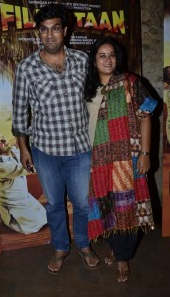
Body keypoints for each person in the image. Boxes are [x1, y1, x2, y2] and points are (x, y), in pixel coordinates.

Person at [12, 3, 99, 274]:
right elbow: (18, 112)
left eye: (55, 29)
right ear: (39, 33)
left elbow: (96, 98)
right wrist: (23, 148)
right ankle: (60, 246)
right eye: (44, 30)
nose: (49, 36)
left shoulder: (83, 61)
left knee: (83, 203)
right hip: (46, 150)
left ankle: (84, 244)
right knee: (54, 204)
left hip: (80, 148)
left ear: (65, 31)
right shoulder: (26, 67)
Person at [85, 37, 157, 283]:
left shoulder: (130, 83)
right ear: (94, 61)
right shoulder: (88, 88)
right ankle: (117, 248)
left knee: (129, 209)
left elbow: (146, 116)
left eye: (112, 54)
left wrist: (145, 154)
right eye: (102, 55)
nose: (108, 59)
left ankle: (123, 258)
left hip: (128, 159)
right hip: (98, 160)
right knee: (106, 207)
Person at [0, 132, 47, 234]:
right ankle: (10, 221)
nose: (4, 141)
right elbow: (27, 167)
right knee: (34, 226)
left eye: (3, 138)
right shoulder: (0, 166)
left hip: (25, 198)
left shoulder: (12, 151)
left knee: (44, 219)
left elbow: (22, 153)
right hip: (13, 204)